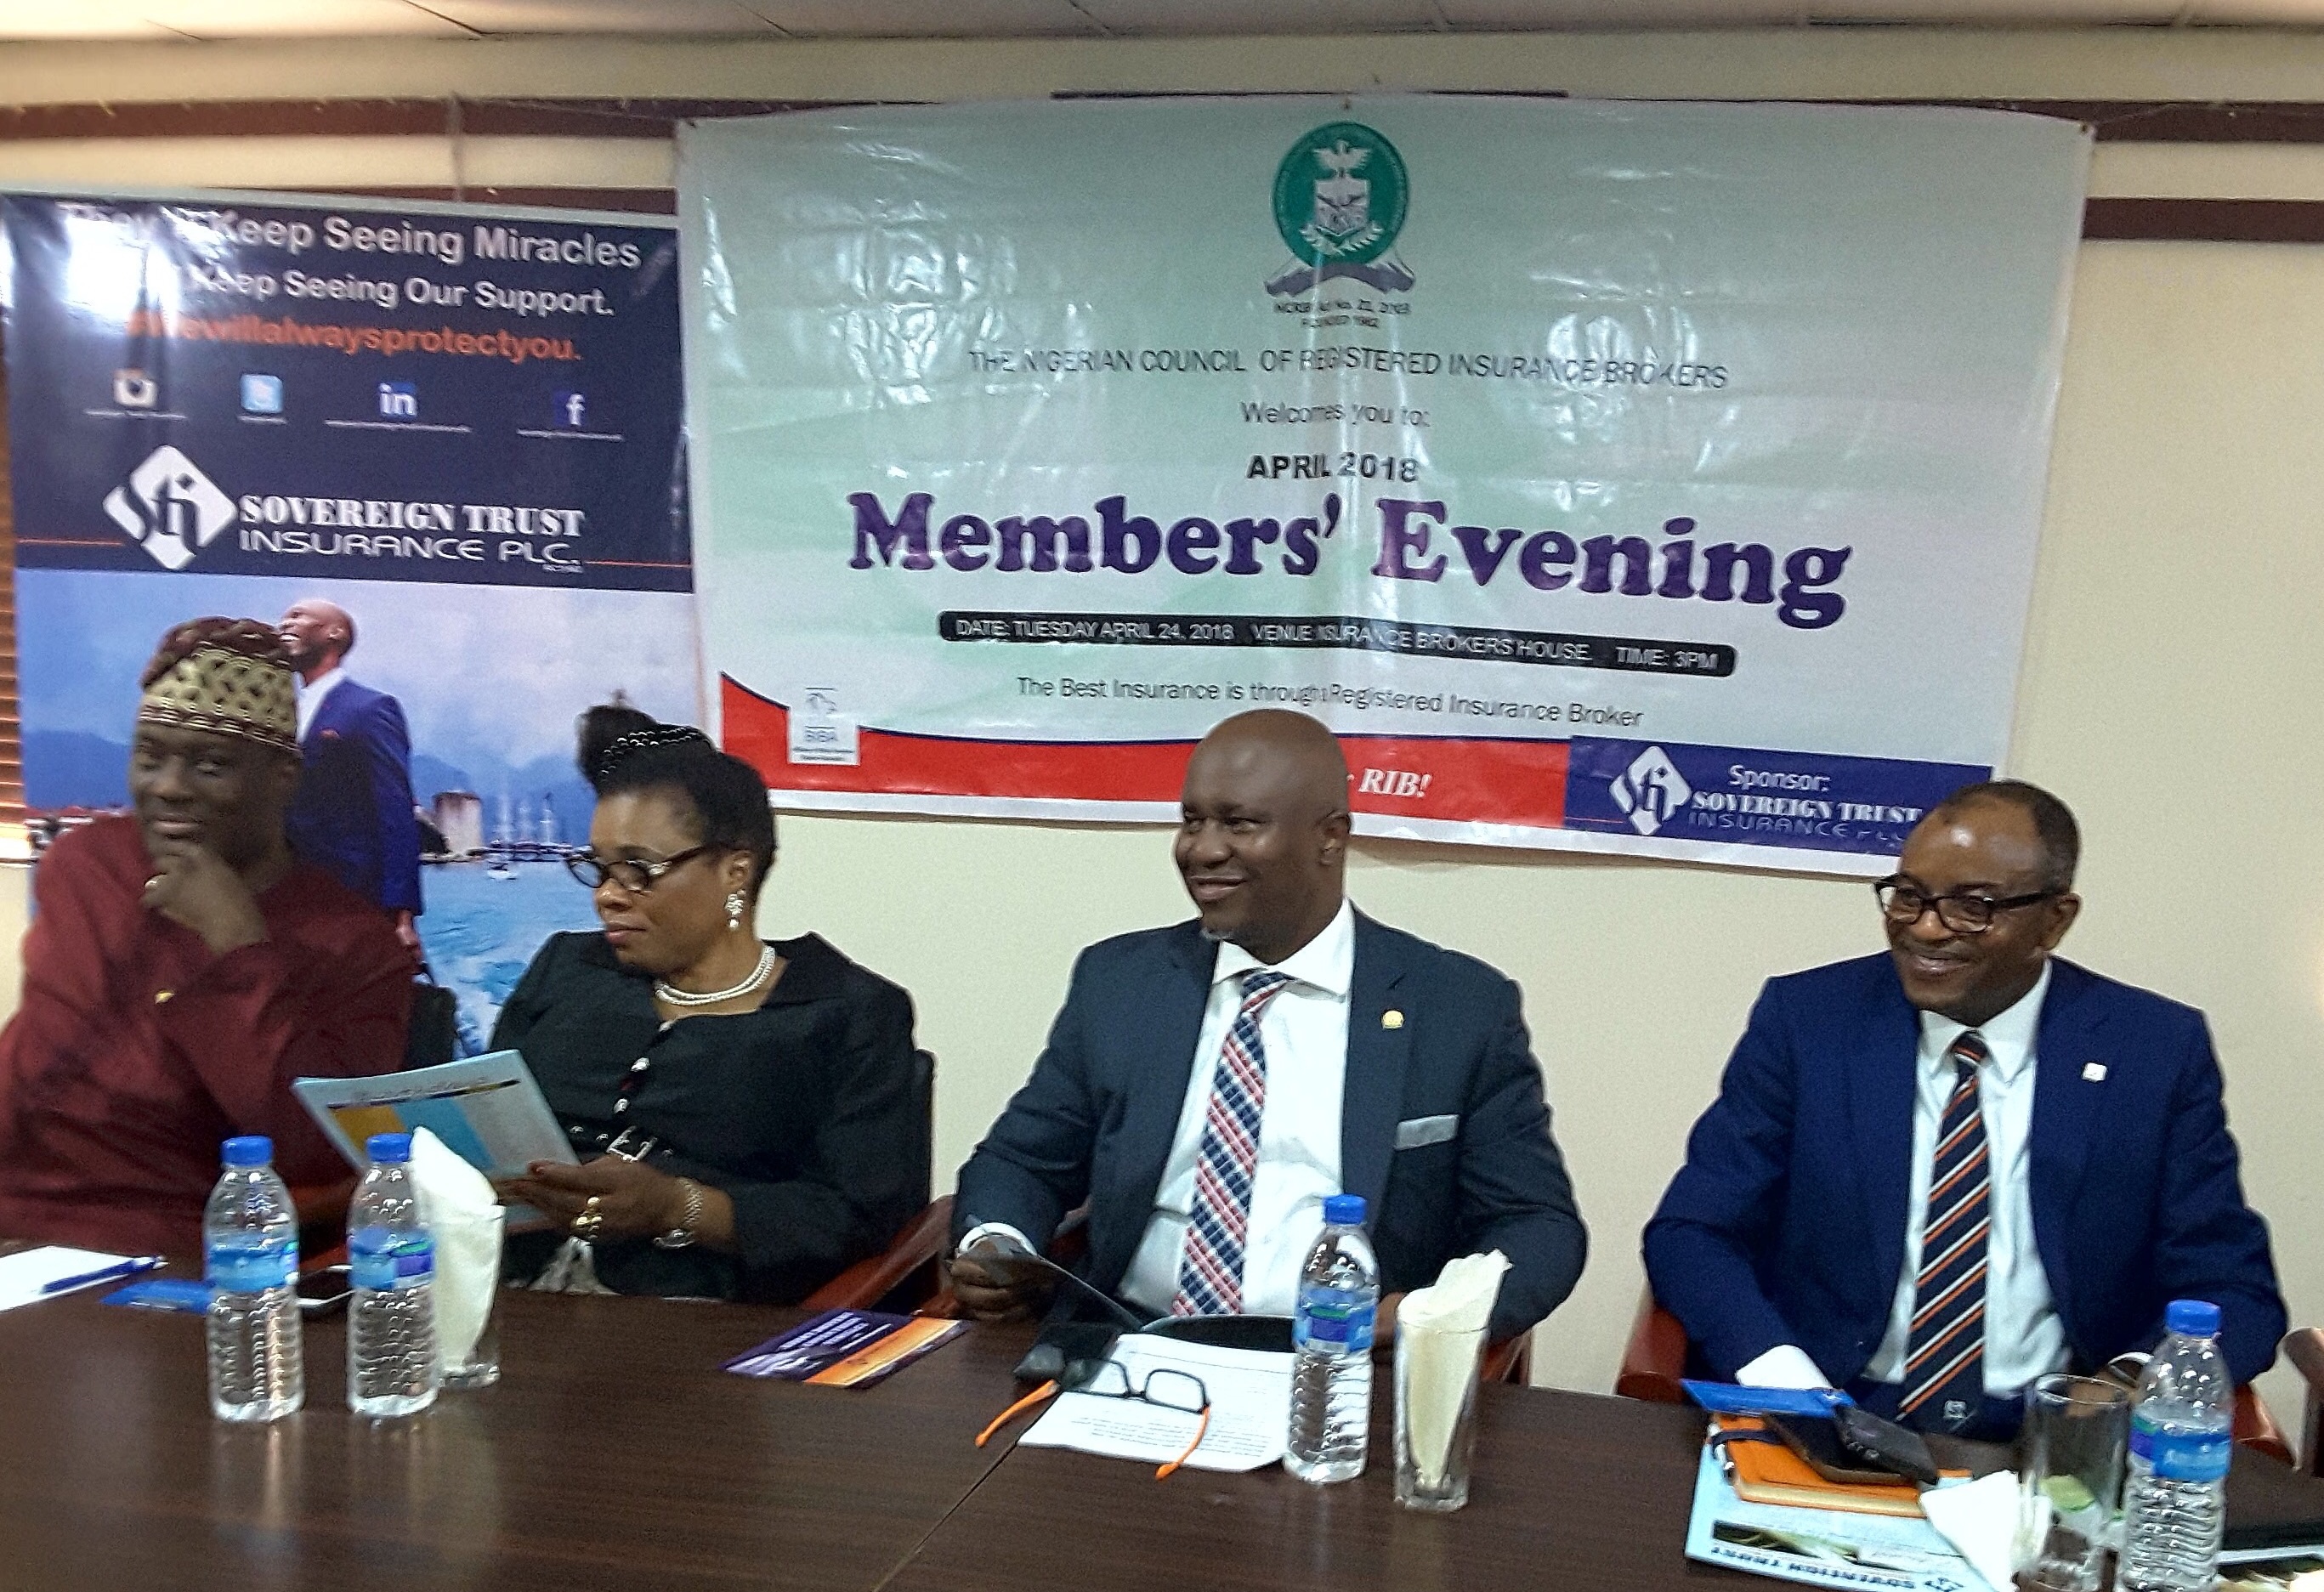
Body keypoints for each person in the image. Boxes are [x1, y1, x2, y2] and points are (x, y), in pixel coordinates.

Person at [1644, 780, 2286, 1436]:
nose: (1926, 927)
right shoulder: (1810, 1022)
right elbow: (1692, 1231)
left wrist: (2124, 1388)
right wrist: (1788, 1384)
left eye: (1972, 906)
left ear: (2055, 919)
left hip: (2051, 1433)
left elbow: (2231, 1285)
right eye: (1909, 895)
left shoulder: (2151, 1050)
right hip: (1833, 1405)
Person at [949, 710, 1587, 1344]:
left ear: (1330, 837)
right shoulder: (1121, 982)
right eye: (1192, 821)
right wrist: (997, 1242)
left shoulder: (1456, 1007)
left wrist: (1425, 1316)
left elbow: (1536, 1224)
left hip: (1342, 1358)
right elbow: (1023, 1160)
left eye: (1240, 823)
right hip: (1131, 1341)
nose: (1202, 850)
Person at [0, 619, 415, 1256]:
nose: (168, 787)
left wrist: (238, 945)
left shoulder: (356, 946)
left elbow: (318, 1153)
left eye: (210, 765)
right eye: (149, 757)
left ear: (284, 776)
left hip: (177, 1253)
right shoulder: (88, 866)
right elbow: (42, 1068)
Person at [492, 713, 923, 1302]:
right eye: (598, 868)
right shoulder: (568, 969)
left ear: (734, 871)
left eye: (638, 871)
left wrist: (678, 1206)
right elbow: (487, 1111)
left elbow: (857, 1220)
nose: (607, 896)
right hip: (512, 1288)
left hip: (706, 1314)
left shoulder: (846, 1013)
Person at [278, 598, 423, 957]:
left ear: (335, 633)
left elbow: (395, 811)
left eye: (298, 616)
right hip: (287, 895)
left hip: (352, 895)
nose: (285, 624)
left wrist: (401, 915)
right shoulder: (280, 712)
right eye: (284, 618)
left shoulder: (370, 709)